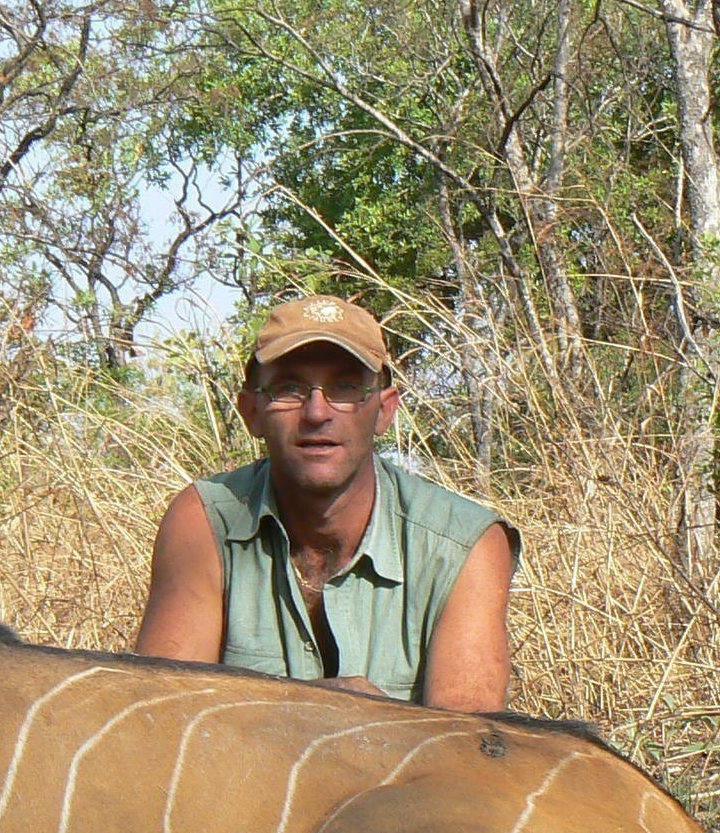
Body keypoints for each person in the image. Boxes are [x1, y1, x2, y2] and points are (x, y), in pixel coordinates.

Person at [133, 294, 517, 709]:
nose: (317, 412)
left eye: (346, 388)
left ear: (385, 410)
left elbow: (468, 747)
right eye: (289, 388)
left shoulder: (465, 545)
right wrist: (313, 708)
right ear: (252, 412)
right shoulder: (205, 522)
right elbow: (164, 717)